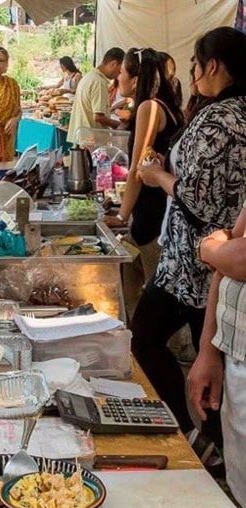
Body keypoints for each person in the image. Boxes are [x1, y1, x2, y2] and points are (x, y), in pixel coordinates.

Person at [135, 26, 246, 451]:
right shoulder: (237, 111)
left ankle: (198, 435)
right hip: (210, 260)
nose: (194, 74)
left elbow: (198, 197)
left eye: (196, 66)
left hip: (196, 262)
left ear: (212, 65)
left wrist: (157, 175)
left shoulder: (219, 118)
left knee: (156, 342)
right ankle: (205, 437)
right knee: (209, 355)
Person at [104, 47, 184, 321]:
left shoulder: (150, 107)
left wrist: (121, 215)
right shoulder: (165, 106)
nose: (118, 81)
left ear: (135, 79)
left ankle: (172, 352)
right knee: (131, 291)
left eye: (122, 74)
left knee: (158, 299)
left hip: (153, 217)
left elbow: (139, 166)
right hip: (150, 216)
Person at [188, 203, 246, 508]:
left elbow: (239, 257)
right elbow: (232, 243)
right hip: (237, 355)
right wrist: (209, 348)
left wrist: (207, 248)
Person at [66, 47, 124, 144]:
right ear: (113, 64)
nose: (118, 75)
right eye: (119, 71)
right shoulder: (99, 82)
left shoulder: (90, 76)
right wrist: (119, 126)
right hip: (90, 140)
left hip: (81, 136)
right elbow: (98, 117)